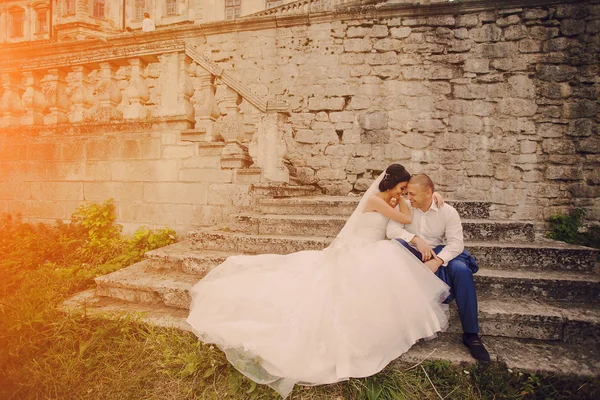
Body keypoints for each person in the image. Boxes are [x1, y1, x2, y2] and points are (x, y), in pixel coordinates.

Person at [187, 164, 450, 398]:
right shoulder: (376, 200)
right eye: (402, 188)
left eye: (406, 190)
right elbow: (406, 218)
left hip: (372, 248)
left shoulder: (390, 201)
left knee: (386, 268)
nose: (404, 193)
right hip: (358, 249)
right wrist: (403, 199)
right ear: (391, 184)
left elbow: (402, 220)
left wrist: (421, 197)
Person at [386, 174, 491, 363]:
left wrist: (438, 261)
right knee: (396, 247)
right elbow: (392, 230)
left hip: (443, 254)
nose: (409, 198)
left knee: (462, 271)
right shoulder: (406, 206)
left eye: (413, 194)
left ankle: (471, 335)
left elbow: (456, 244)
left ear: (429, 193)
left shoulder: (448, 212)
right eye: (408, 193)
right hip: (415, 252)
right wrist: (416, 239)